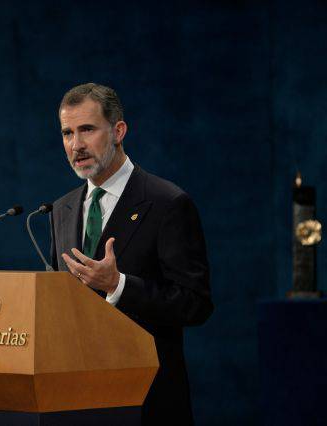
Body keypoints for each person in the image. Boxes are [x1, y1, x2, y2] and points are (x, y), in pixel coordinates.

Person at [50, 83, 214, 425]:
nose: (75, 145)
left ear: (118, 131)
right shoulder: (61, 209)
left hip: (146, 404)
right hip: (76, 400)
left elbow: (195, 304)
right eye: (67, 133)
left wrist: (119, 285)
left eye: (87, 130)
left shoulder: (168, 203)